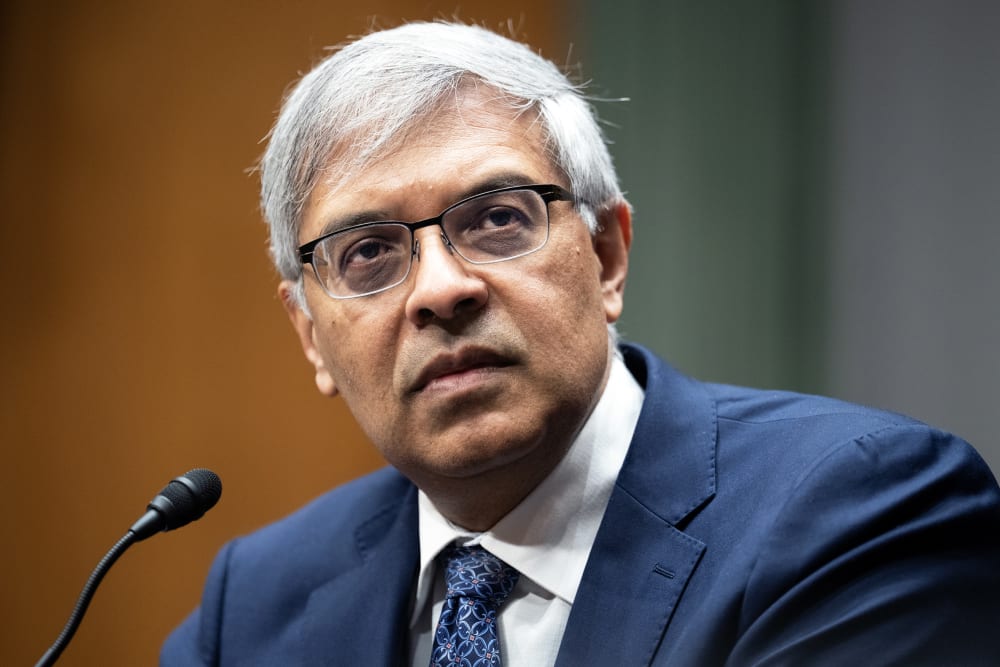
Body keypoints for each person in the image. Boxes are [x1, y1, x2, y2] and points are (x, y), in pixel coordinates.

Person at [161, 21, 1000, 667]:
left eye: (496, 219)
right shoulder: (257, 602)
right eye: (369, 253)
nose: (441, 288)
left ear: (606, 257)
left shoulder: (860, 514)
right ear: (310, 334)